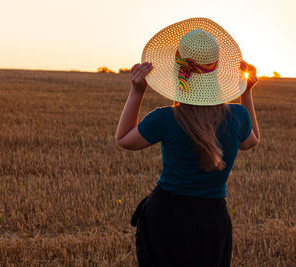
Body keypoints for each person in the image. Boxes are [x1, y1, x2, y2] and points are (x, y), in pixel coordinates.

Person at [115, 18, 259, 267]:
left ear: (176, 67)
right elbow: (251, 142)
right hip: (211, 223)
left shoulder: (164, 119)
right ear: (216, 70)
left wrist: (137, 91)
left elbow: (124, 139)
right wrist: (246, 93)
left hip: (165, 218)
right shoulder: (238, 117)